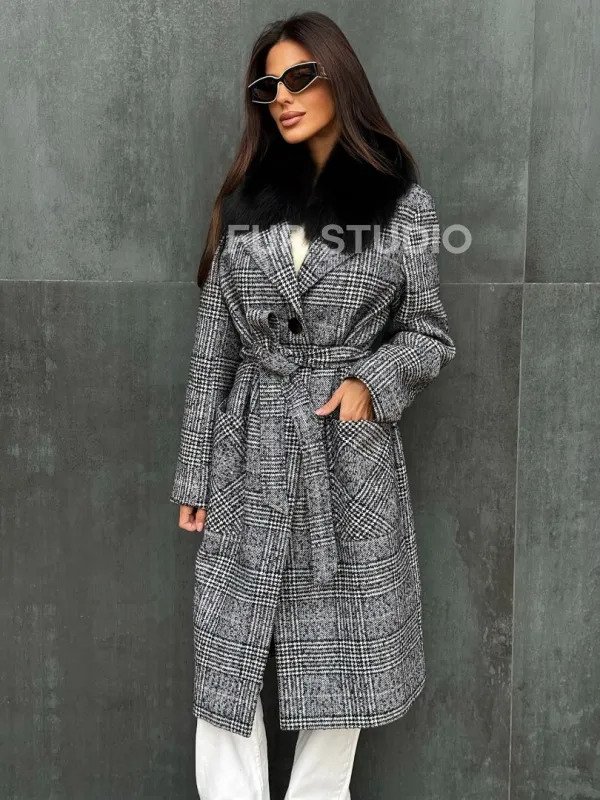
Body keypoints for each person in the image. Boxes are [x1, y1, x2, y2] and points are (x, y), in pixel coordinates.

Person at [170, 11, 457, 799]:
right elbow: (214, 349)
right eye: (268, 87)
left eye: (300, 77)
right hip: (250, 445)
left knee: (342, 657)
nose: (284, 98)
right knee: (228, 653)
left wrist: (370, 385)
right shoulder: (245, 204)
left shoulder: (402, 207)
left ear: (339, 79)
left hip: (344, 452)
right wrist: (195, 472)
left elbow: (427, 333)